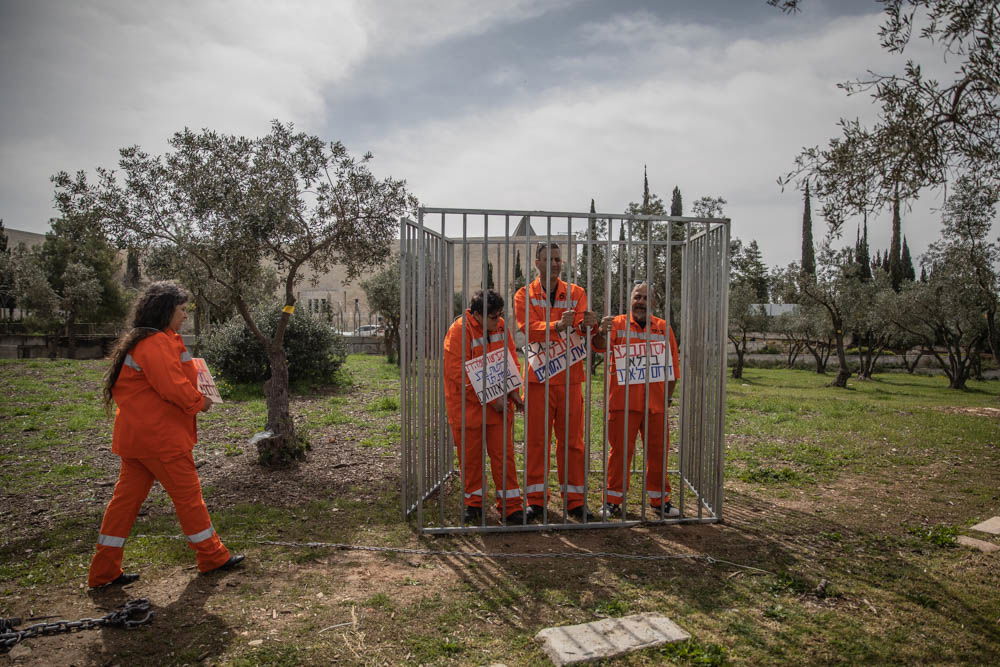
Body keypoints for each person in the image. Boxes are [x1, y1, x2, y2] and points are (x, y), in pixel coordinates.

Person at [88, 281, 243, 588]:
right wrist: (201, 402)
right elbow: (173, 387)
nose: (185, 315)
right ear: (165, 310)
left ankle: (104, 571)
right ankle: (212, 556)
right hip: (161, 440)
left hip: (136, 439)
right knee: (189, 499)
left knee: (124, 503)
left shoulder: (146, 340)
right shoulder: (156, 343)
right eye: (181, 309)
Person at [514, 242, 604, 521]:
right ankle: (536, 500)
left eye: (557, 259)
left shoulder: (577, 293)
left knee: (573, 442)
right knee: (536, 442)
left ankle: (575, 501)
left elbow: (582, 330)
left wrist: (589, 324)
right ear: (537, 263)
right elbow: (528, 329)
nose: (554, 264)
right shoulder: (524, 294)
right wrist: (557, 326)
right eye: (549, 259)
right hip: (538, 379)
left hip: (570, 378)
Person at [598, 282, 681, 518]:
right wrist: (601, 332)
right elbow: (599, 347)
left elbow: (673, 368)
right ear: (630, 300)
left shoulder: (663, 328)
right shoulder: (616, 324)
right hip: (623, 403)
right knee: (620, 453)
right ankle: (612, 500)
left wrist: (666, 398)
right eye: (637, 297)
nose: (641, 302)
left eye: (645, 298)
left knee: (658, 453)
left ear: (653, 302)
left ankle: (660, 500)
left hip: (655, 404)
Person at [444, 289, 525, 525]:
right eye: (493, 316)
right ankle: (474, 504)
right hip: (467, 408)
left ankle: (511, 507)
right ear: (477, 314)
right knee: (470, 459)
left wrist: (514, 392)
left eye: (500, 315)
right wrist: (492, 399)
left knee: (504, 457)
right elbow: (458, 373)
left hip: (498, 407)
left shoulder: (500, 327)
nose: (498, 320)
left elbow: (511, 360)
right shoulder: (458, 331)